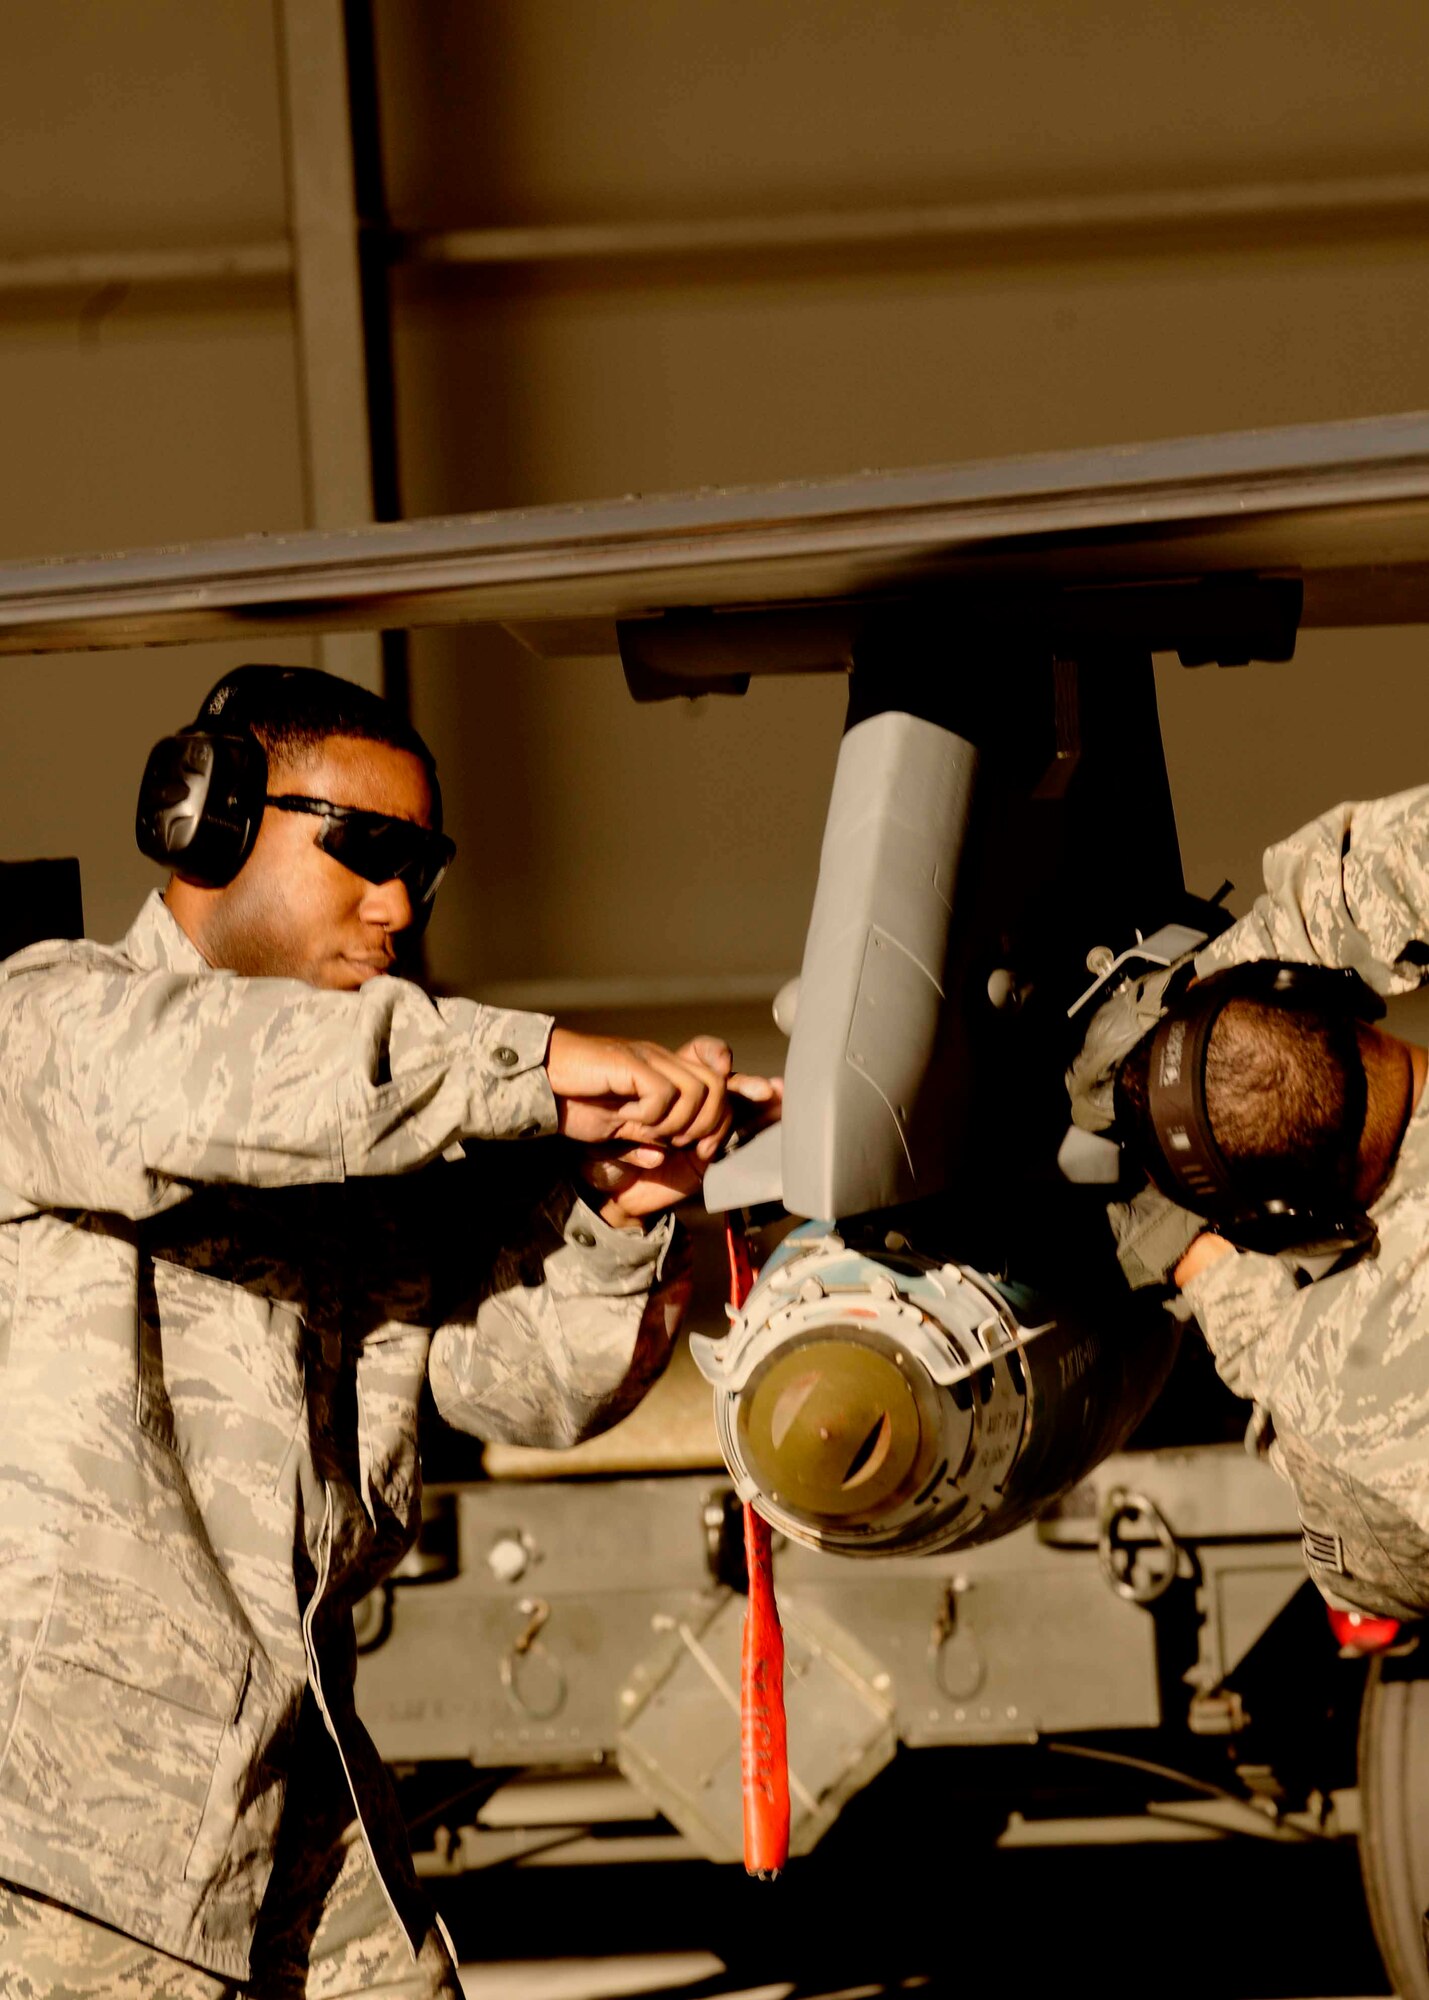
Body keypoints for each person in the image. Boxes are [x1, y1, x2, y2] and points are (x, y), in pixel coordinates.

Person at [0, 666, 779, 1998]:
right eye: (361, 853)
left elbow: (521, 1389)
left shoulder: (389, 1120)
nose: (398, 907)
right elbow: (228, 1081)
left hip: (305, 1823)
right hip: (67, 1863)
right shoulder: (49, 1026)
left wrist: (613, 1211)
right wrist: (536, 1068)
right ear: (208, 820)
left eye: (423, 866)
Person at [1069, 784, 1429, 1623]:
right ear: (1326, 995)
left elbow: (1381, 1574)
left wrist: (1206, 1270)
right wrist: (1211, 984)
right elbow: (1386, 869)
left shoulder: (1367, 1400)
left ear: (1281, 1223)